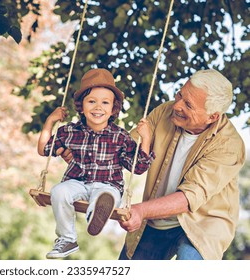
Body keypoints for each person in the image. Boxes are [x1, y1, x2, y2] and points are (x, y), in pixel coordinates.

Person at [115, 69, 245, 260]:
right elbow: (127, 148)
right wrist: (86, 154)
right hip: (155, 217)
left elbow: (188, 197)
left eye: (188, 105)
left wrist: (141, 210)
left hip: (202, 225)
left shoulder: (229, 145)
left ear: (212, 117)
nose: (177, 105)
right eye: (180, 95)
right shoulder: (165, 111)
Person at [37, 68, 155, 259]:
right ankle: (67, 239)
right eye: (91, 101)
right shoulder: (69, 131)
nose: (98, 107)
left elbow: (139, 167)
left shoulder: (120, 136)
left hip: (108, 185)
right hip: (77, 182)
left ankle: (97, 214)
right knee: (59, 191)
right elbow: (44, 149)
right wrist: (50, 121)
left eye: (105, 102)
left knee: (104, 195)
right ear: (81, 106)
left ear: (113, 109)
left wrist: (146, 139)